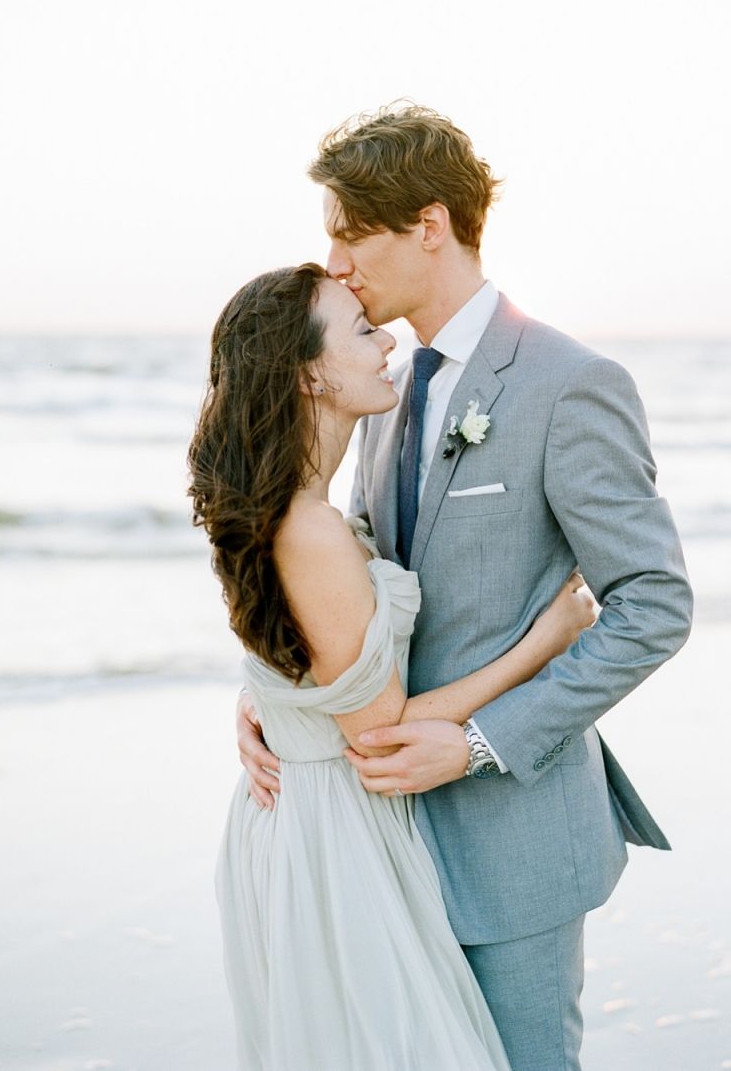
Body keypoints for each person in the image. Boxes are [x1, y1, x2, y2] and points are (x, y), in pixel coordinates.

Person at [237, 104, 694, 1070]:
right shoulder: (383, 388)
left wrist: (483, 742)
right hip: (381, 834)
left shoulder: (570, 382)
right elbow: (349, 582)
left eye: (351, 232)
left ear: (430, 224)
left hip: (511, 840)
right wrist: (279, 695)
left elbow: (655, 603)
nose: (337, 263)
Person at [189, 261, 598, 1070]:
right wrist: (543, 644)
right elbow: (379, 729)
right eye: (361, 331)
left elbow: (302, 653)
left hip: (312, 814)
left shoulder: (303, 503)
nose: (388, 343)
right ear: (310, 371)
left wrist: (271, 704)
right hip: (336, 835)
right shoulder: (309, 527)